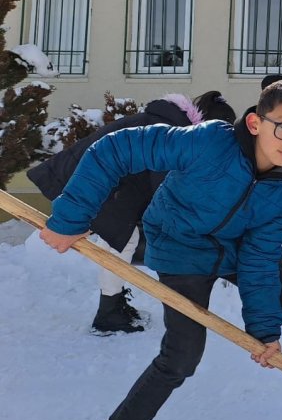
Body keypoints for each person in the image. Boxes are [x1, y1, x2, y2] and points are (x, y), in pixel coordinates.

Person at [39, 80, 282, 420]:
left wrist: (263, 330)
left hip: (240, 246)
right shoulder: (207, 142)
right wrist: (70, 218)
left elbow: (260, 254)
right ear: (257, 123)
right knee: (182, 355)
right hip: (180, 246)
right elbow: (117, 148)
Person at [27, 91, 237, 334]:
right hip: (92, 183)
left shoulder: (167, 118)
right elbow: (165, 191)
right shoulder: (176, 132)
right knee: (122, 241)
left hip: (96, 181)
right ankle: (108, 314)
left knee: (121, 240)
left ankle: (111, 307)